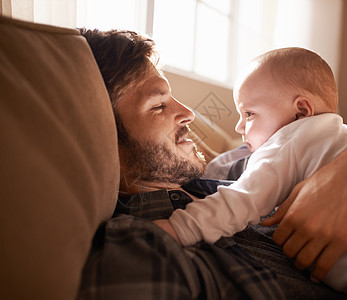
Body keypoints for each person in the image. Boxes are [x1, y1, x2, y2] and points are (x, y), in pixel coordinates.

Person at [78, 29, 346, 299]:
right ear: (105, 136)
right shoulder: (146, 248)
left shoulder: (232, 166)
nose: (189, 113)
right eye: (158, 105)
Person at [155, 47, 347, 293]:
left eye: (249, 113)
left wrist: (181, 228)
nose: (239, 126)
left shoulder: (289, 139)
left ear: (300, 112)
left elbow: (243, 199)